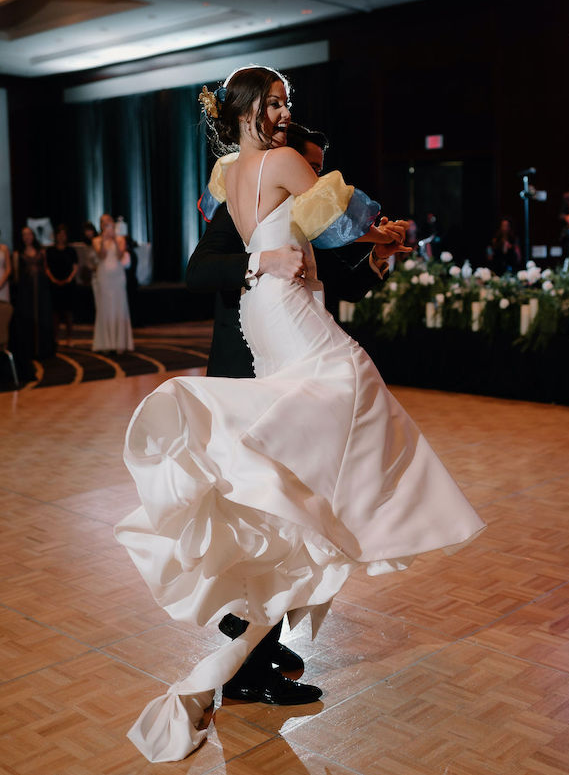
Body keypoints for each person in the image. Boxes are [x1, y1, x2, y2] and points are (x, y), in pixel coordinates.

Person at [115, 66, 485, 763]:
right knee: (351, 379)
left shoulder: (230, 172)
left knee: (304, 465)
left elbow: (319, 244)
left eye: (290, 100)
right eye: (277, 101)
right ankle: (382, 513)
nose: (286, 110)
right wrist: (373, 223)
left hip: (271, 320)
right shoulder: (282, 162)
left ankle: (296, 589)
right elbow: (336, 218)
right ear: (252, 108)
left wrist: (374, 249)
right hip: (268, 319)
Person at [186, 121, 398, 703]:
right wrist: (260, 264)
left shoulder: (296, 215)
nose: (313, 185)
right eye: (306, 170)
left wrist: (377, 253)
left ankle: (259, 641)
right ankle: (250, 668)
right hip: (250, 380)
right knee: (271, 518)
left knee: (293, 516)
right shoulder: (240, 204)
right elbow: (198, 270)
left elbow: (328, 281)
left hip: (297, 380)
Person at [9, 226, 55, 379]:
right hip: (26, 293)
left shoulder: (42, 252)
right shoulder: (17, 254)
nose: (27, 237)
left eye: (29, 234)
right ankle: (29, 350)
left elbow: (46, 269)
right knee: (28, 319)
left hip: (41, 292)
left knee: (42, 318)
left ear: (33, 236)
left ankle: (43, 350)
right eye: (24, 234)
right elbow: (16, 276)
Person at [91, 214, 134, 353]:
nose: (106, 225)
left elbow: (120, 256)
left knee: (119, 306)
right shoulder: (96, 240)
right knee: (105, 307)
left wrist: (114, 238)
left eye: (108, 222)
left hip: (117, 276)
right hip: (104, 276)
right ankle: (106, 344)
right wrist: (104, 239)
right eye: (103, 223)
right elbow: (101, 255)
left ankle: (119, 343)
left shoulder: (120, 239)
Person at [45, 224, 78, 346]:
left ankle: (69, 337)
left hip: (68, 285)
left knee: (69, 312)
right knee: (55, 313)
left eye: (63, 235)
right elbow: (46, 267)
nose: (61, 237)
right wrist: (53, 280)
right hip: (54, 284)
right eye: (59, 234)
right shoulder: (50, 251)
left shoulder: (71, 250)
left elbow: (75, 267)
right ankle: (55, 337)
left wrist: (68, 279)